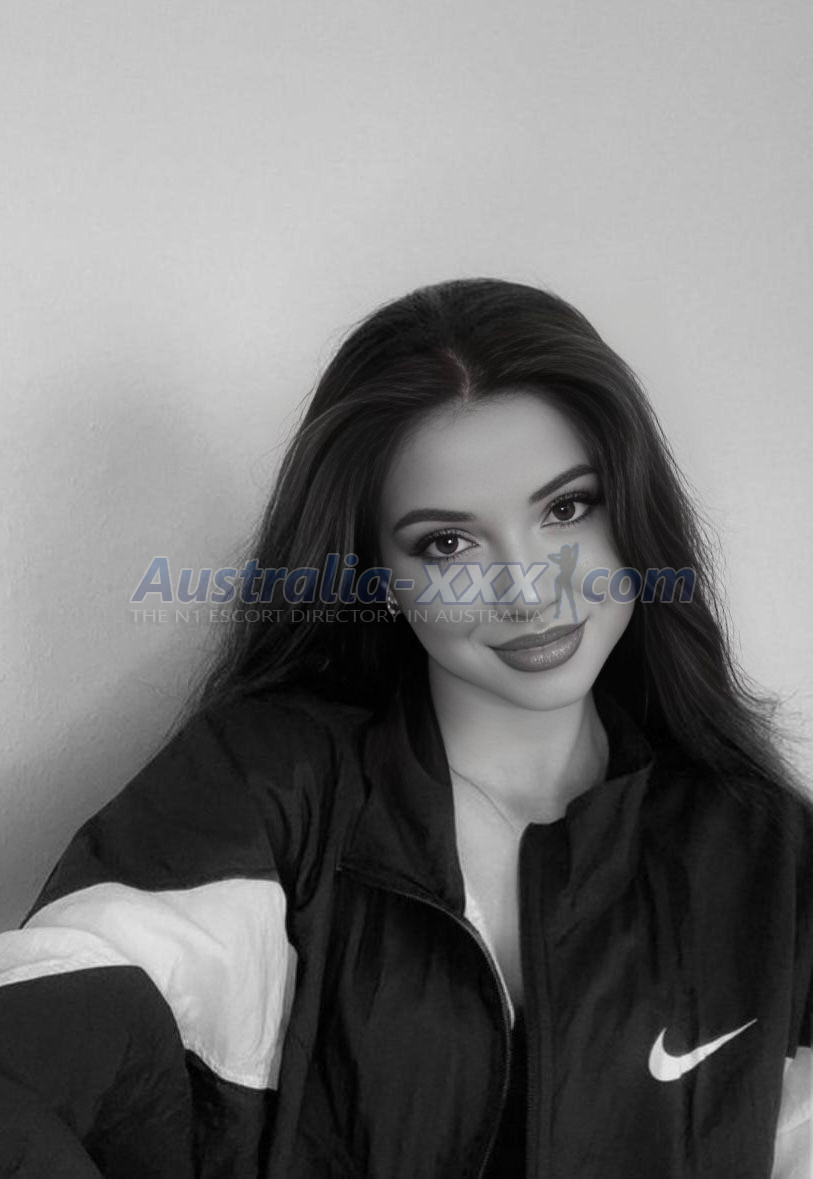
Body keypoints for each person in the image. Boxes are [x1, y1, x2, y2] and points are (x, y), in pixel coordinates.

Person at [0, 278, 811, 1178]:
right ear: (375, 573)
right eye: (447, 544)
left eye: (565, 507)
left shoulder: (770, 855)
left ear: (633, 511)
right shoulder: (264, 790)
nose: (526, 588)